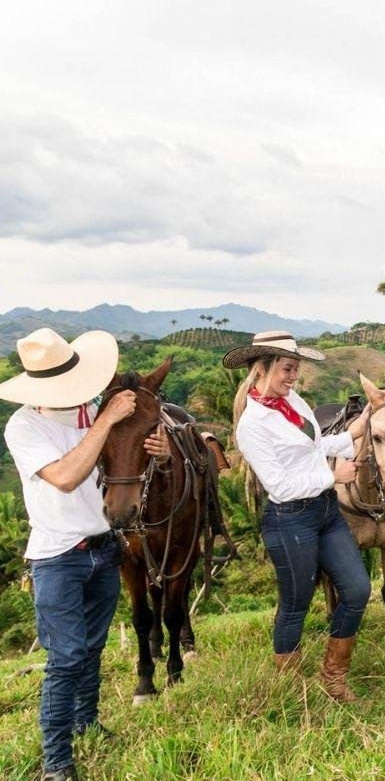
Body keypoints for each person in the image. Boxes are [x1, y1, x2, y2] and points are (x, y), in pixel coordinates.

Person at [1, 328, 168, 781]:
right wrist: (105, 421)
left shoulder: (92, 411)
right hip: (57, 557)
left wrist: (159, 447)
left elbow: (132, 452)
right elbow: (66, 476)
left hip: (103, 550)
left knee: (92, 649)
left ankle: (86, 722)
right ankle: (56, 760)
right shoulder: (24, 426)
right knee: (66, 656)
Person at [224, 331, 372, 701]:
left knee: (357, 589)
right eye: (287, 369)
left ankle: (333, 677)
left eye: (295, 369)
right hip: (290, 519)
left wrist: (352, 433)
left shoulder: (293, 402)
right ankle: (289, 688)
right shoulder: (252, 425)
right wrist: (333, 476)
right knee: (297, 602)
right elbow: (282, 484)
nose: (293, 377)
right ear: (262, 368)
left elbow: (314, 445)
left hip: (324, 511)